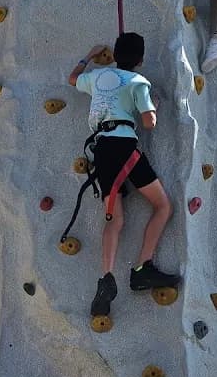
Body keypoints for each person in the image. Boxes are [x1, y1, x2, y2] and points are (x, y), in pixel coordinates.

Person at [69, 33, 181, 317]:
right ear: (140, 60)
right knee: (163, 206)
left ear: (115, 55)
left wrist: (90, 54)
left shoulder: (97, 76)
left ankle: (106, 277)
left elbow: (73, 79)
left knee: (114, 220)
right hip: (124, 147)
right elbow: (149, 122)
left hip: (101, 151)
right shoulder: (138, 82)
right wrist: (153, 104)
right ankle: (142, 268)